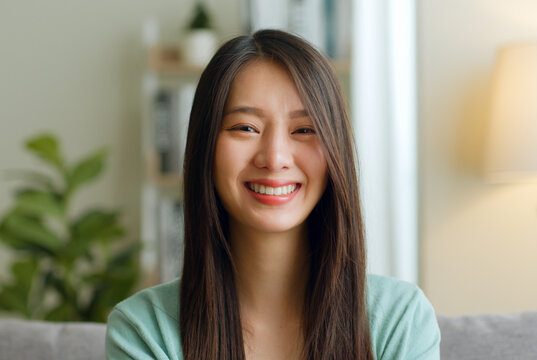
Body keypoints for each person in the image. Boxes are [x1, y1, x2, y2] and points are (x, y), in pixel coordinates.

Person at [106, 29, 440, 360]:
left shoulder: (400, 321)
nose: (274, 157)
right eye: (245, 128)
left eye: (304, 130)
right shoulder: (144, 330)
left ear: (335, 151)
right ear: (205, 146)